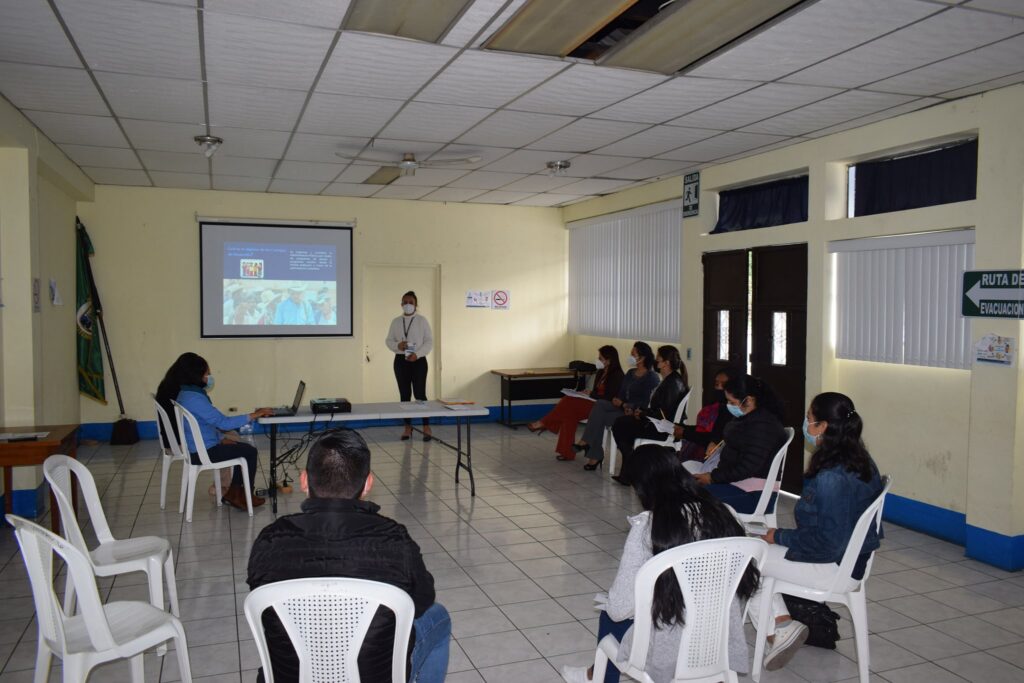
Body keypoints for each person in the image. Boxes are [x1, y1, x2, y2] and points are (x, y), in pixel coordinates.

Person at [247, 429, 450, 683]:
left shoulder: (270, 540)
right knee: (438, 616)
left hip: (291, 677)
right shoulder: (394, 540)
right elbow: (422, 600)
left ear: (303, 481)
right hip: (374, 676)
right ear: (367, 484)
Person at [561, 446, 760, 683]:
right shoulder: (725, 513)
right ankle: (595, 674)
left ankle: (598, 677)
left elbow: (619, 608)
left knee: (609, 613)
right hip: (720, 639)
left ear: (642, 487)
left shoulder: (647, 528)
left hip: (667, 649)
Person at [747, 392, 884, 671]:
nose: (805, 425)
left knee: (746, 563)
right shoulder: (859, 459)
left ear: (823, 427)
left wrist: (779, 536)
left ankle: (781, 628)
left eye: (809, 419)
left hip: (834, 566)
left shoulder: (833, 476)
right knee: (756, 550)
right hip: (849, 559)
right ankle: (781, 625)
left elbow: (827, 544)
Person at [173, 353, 274, 509]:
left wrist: (220, 438)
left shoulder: (185, 393)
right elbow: (223, 422)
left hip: (199, 447)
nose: (209, 377)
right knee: (249, 452)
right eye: (207, 374)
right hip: (204, 452)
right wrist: (255, 415)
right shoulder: (196, 399)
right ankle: (242, 495)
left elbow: (205, 426)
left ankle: (234, 493)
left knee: (239, 447)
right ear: (196, 375)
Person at [691, 374, 788, 515]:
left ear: (748, 400)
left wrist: (712, 477)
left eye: (732, 402)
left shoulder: (764, 425)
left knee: (689, 497)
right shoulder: (749, 417)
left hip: (754, 494)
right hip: (737, 484)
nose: (729, 406)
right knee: (684, 489)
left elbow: (747, 467)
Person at [526, 346, 624, 462]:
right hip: (593, 402)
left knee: (568, 402)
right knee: (569, 412)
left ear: (609, 360)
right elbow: (596, 392)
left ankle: (544, 423)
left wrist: (592, 394)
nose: (598, 360)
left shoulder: (617, 375)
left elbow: (609, 397)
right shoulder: (601, 372)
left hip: (602, 407)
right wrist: (587, 394)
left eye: (600, 358)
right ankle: (567, 452)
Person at [611, 346, 689, 486]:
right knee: (622, 424)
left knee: (620, 424)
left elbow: (663, 414)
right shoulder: (671, 379)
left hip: (662, 429)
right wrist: (642, 411)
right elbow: (659, 409)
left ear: (666, 363)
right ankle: (629, 467)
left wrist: (642, 413)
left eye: (659, 359)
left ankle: (629, 465)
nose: (656, 361)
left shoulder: (672, 383)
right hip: (659, 424)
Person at [577, 342, 660, 469]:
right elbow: (621, 393)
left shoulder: (651, 377)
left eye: (633, 354)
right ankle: (588, 445)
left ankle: (593, 453)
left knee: (598, 418)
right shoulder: (630, 373)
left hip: (634, 412)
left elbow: (647, 402)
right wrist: (619, 400)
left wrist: (626, 404)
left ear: (642, 358)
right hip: (621, 407)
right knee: (600, 404)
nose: (630, 357)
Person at [385, 291, 434, 441]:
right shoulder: (396, 321)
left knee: (420, 395)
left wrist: (417, 354)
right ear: (401, 304)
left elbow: (429, 342)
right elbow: (388, 341)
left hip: (418, 361)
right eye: (405, 302)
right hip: (401, 361)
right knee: (404, 396)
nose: (407, 305)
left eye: (411, 302)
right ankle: (408, 428)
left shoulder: (422, 321)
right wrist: (397, 345)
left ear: (416, 305)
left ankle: (426, 427)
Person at [673, 366, 739, 463]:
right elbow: (703, 429)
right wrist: (683, 428)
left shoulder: (732, 410)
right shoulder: (716, 406)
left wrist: (685, 433)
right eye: (717, 384)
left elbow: (714, 438)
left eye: (724, 385)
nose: (719, 387)